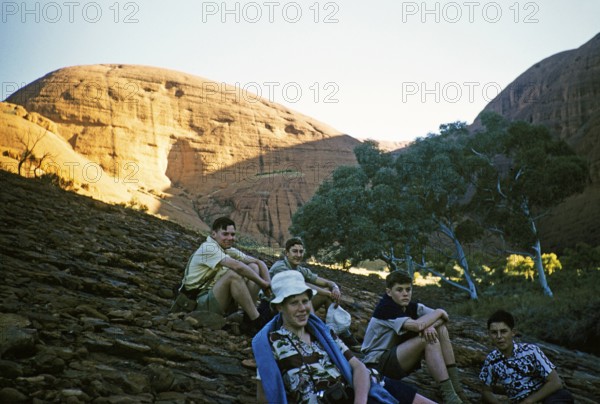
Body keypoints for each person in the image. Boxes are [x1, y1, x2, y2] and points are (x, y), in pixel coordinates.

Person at [252, 270, 437, 404]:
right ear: (279, 307)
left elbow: (359, 367)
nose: (303, 309)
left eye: (305, 301)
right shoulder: (269, 346)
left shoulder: (324, 333)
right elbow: (265, 396)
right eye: (294, 303)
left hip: (365, 387)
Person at [361, 270, 466, 404]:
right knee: (428, 339)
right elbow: (419, 325)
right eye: (399, 290)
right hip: (377, 364)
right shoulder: (386, 308)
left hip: (396, 358)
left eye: (408, 289)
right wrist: (439, 312)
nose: (405, 294)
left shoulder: (410, 306)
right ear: (389, 292)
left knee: (440, 329)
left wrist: (432, 325)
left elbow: (444, 319)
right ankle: (450, 396)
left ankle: (456, 388)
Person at [174, 217, 271, 335]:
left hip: (212, 295)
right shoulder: (208, 248)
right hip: (198, 303)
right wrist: (263, 284)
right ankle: (257, 320)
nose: (230, 238)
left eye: (232, 234)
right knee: (233, 275)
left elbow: (258, 262)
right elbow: (237, 266)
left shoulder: (226, 249)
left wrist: (267, 284)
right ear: (214, 234)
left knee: (253, 267)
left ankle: (248, 317)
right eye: (225, 234)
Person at [265, 237, 361, 350]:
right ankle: (319, 334)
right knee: (316, 295)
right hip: (275, 309)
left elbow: (324, 282)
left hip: (294, 305)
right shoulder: (280, 267)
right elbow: (301, 284)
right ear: (287, 253)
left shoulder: (300, 269)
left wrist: (334, 287)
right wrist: (327, 292)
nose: (298, 255)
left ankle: (342, 333)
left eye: (301, 251)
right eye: (295, 251)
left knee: (325, 295)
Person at [479, 310, 574, 404]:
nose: (499, 336)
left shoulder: (530, 351)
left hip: (549, 397)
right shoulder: (491, 360)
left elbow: (556, 382)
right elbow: (486, 391)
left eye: (503, 331)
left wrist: (529, 401)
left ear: (513, 332)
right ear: (489, 334)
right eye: (494, 332)